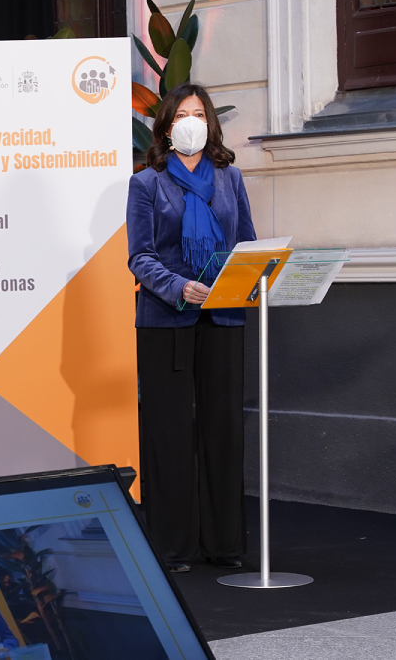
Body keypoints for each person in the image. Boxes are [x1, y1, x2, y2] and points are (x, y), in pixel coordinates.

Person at [126, 83, 256, 573]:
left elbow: (246, 245)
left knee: (223, 428)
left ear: (210, 123)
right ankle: (173, 547)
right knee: (170, 431)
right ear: (166, 126)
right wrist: (179, 287)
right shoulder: (147, 183)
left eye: (198, 113)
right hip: (166, 321)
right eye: (181, 114)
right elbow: (140, 257)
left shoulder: (230, 178)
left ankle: (224, 543)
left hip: (223, 316)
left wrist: (245, 279)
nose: (190, 122)